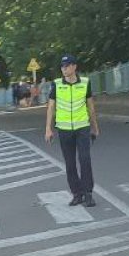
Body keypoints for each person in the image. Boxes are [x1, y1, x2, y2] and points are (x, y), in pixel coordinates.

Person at [45, 54, 99, 207]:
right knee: (70, 163)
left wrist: (95, 127)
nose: (64, 68)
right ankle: (77, 194)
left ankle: (88, 193)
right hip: (64, 129)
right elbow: (51, 107)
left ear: (75, 67)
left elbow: (91, 107)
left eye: (67, 65)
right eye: (62, 66)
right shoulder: (56, 84)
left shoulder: (85, 83)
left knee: (85, 160)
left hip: (82, 127)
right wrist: (48, 129)